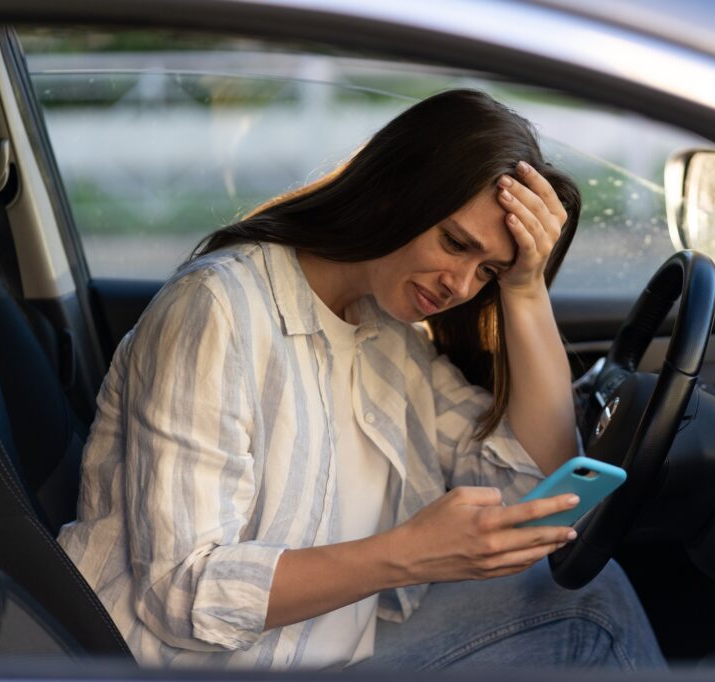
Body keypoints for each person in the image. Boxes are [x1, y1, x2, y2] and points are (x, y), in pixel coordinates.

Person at [58, 89, 665, 670]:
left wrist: (526, 290)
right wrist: (403, 555)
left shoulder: (386, 332)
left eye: (487, 270)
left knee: (586, 590)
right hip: (202, 662)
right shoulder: (218, 309)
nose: (460, 286)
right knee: (595, 613)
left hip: (338, 636)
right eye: (454, 243)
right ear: (389, 194)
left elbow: (529, 482)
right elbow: (181, 593)